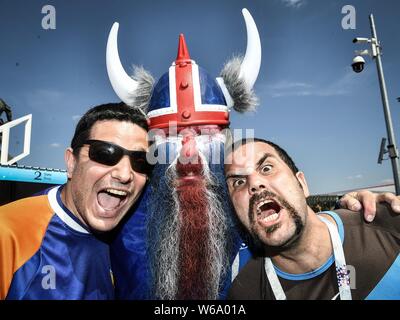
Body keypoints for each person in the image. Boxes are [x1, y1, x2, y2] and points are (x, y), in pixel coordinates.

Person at [105, 8, 397, 300]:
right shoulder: (117, 218)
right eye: (170, 137)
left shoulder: (248, 219)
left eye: (206, 135)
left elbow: (300, 227)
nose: (189, 154)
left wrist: (355, 211)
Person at [0, 102, 152, 299]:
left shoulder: (133, 241)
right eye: (105, 153)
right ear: (71, 162)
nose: (124, 174)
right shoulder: (8, 231)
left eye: (140, 162)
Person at [225, 138, 400, 299]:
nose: (254, 183)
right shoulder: (244, 293)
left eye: (266, 168)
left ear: (302, 183)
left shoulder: (388, 222)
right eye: (238, 182)